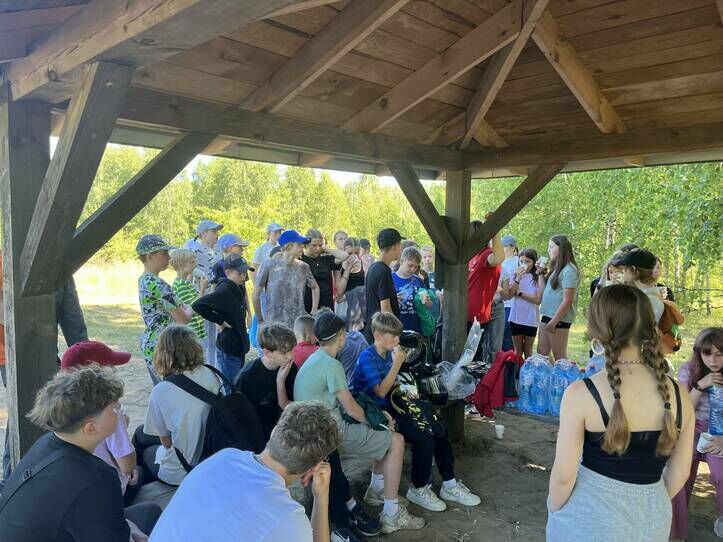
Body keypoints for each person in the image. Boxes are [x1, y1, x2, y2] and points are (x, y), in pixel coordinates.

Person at [546, 285, 694, 541]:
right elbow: (680, 472)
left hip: (589, 519)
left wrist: (556, 510)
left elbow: (564, 476)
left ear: (598, 328)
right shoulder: (679, 394)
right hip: (653, 521)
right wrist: (646, 502)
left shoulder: (581, 394)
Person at [294, 311, 424, 534]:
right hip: (328, 433)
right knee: (396, 441)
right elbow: (352, 409)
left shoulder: (316, 358)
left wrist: (374, 420)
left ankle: (377, 490)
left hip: (315, 430)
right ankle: (391, 515)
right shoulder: (332, 365)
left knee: (385, 436)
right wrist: (377, 423)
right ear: (341, 336)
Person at [0, 365, 161, 542]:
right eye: (115, 409)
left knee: (149, 511)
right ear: (91, 428)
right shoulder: (98, 477)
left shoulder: (45, 443)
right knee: (153, 515)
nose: (120, 412)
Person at [148, 402, 337, 542]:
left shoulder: (225, 456)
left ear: (274, 432)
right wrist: (321, 497)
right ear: (312, 467)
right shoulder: (287, 517)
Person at [353, 312, 481, 512]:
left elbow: (391, 383)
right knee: (424, 437)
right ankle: (419, 488)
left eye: (398, 335)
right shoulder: (368, 357)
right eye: (393, 336)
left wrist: (404, 387)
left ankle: (449, 484)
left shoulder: (387, 353)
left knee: (439, 429)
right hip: (375, 412)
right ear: (378, 336)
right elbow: (380, 392)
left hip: (393, 405)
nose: (398, 340)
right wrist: (397, 365)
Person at [60, 341, 143, 506]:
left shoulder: (61, 409)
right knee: (139, 470)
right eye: (112, 367)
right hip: (108, 497)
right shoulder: (110, 414)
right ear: (99, 376)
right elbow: (127, 466)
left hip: (79, 493)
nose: (116, 371)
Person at [140, 325, 223, 485]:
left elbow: (166, 443)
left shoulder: (161, 391)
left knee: (143, 447)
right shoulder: (211, 374)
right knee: (142, 434)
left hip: (182, 472)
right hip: (211, 460)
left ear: (162, 353)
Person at [670, 327, 723, 539]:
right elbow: (684, 411)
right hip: (691, 426)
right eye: (707, 353)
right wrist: (701, 386)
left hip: (720, 431)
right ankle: (677, 530)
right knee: (679, 471)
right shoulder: (688, 370)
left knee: (721, 473)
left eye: (719, 354)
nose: (713, 360)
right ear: (699, 353)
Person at [137, 234, 193, 384]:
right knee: (171, 390)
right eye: (164, 253)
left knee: (162, 390)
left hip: (153, 344)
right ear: (149, 256)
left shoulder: (144, 280)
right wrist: (192, 308)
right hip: (163, 347)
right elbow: (183, 319)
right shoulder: (157, 284)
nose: (169, 257)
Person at [192, 254, 252, 389]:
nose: (244, 276)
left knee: (239, 385)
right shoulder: (224, 290)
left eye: (245, 272)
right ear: (228, 272)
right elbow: (198, 305)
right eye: (240, 273)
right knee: (232, 387)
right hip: (229, 349)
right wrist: (220, 321)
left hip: (239, 346)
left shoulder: (239, 286)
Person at [236, 323, 297, 442]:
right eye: (284, 352)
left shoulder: (291, 367)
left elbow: (291, 406)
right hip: (258, 435)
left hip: (285, 433)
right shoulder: (247, 377)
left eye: (291, 350)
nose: (290, 356)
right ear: (267, 353)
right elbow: (240, 416)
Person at [253, 230, 320, 329]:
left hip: (298, 325)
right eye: (299, 244)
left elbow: (315, 288)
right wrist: (260, 320)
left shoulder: (303, 267)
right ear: (288, 245)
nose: (302, 246)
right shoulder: (269, 264)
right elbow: (256, 294)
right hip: (274, 325)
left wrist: (313, 312)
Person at [186, 220, 223, 369]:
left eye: (216, 231)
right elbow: (187, 271)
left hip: (217, 299)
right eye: (213, 231)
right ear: (203, 234)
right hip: (202, 298)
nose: (216, 234)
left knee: (215, 338)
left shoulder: (219, 250)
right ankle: (201, 368)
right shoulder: (194, 251)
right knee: (203, 338)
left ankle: (213, 370)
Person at [467, 219, 505, 363]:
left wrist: (495, 230)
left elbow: (498, 258)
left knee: (472, 359)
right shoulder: (472, 256)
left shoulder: (486, 254)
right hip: (464, 315)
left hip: (476, 318)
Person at [538, 234, 579, 360]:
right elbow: (543, 293)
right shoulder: (557, 269)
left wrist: (554, 322)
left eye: (551, 247)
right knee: (542, 354)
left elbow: (568, 301)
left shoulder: (570, 270)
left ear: (561, 249)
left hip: (558, 319)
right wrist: (540, 273)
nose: (548, 250)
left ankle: (565, 374)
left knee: (559, 356)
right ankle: (548, 374)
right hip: (547, 315)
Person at [502, 248, 545, 358]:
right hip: (515, 318)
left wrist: (520, 293)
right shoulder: (514, 275)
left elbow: (538, 300)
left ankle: (527, 370)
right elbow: (509, 295)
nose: (524, 264)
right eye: (521, 261)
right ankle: (516, 370)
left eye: (527, 261)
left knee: (528, 351)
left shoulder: (538, 277)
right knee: (517, 351)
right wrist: (518, 278)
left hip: (530, 319)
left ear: (534, 262)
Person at [364, 228, 403, 342]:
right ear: (395, 246)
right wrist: (396, 333)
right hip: (382, 334)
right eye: (400, 245)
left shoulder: (373, 267)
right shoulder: (384, 271)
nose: (401, 249)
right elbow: (385, 309)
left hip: (373, 330)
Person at [301, 228, 349, 312]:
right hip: (308, 306)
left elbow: (344, 256)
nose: (317, 248)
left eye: (320, 245)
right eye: (314, 245)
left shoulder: (325, 259)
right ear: (306, 244)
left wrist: (326, 249)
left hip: (327, 305)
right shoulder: (301, 259)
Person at [169, 248, 208, 341]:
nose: (195, 265)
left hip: (194, 331)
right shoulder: (180, 285)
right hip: (189, 333)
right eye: (192, 262)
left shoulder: (186, 283)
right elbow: (194, 307)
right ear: (181, 265)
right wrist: (202, 289)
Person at [618, 248, 665, 324]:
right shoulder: (645, 294)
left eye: (625, 268)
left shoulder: (649, 299)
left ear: (633, 269)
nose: (623, 271)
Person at [392, 246, 430, 334]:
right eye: (410, 265)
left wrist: (427, 302)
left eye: (416, 267)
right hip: (396, 329)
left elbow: (428, 306)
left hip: (416, 329)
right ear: (402, 261)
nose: (413, 269)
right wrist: (393, 301)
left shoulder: (418, 281)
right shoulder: (390, 279)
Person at [336, 237, 366, 331]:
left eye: (356, 253)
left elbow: (366, 287)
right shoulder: (338, 266)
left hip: (359, 304)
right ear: (344, 251)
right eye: (349, 253)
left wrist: (348, 295)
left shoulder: (364, 264)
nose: (353, 256)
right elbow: (339, 291)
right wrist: (348, 269)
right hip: (344, 305)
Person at [499, 235, 519, 353]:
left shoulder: (518, 261)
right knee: (500, 335)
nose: (502, 248)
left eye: (504, 246)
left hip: (512, 303)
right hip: (500, 302)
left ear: (512, 247)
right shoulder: (500, 261)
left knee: (508, 334)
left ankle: (509, 359)